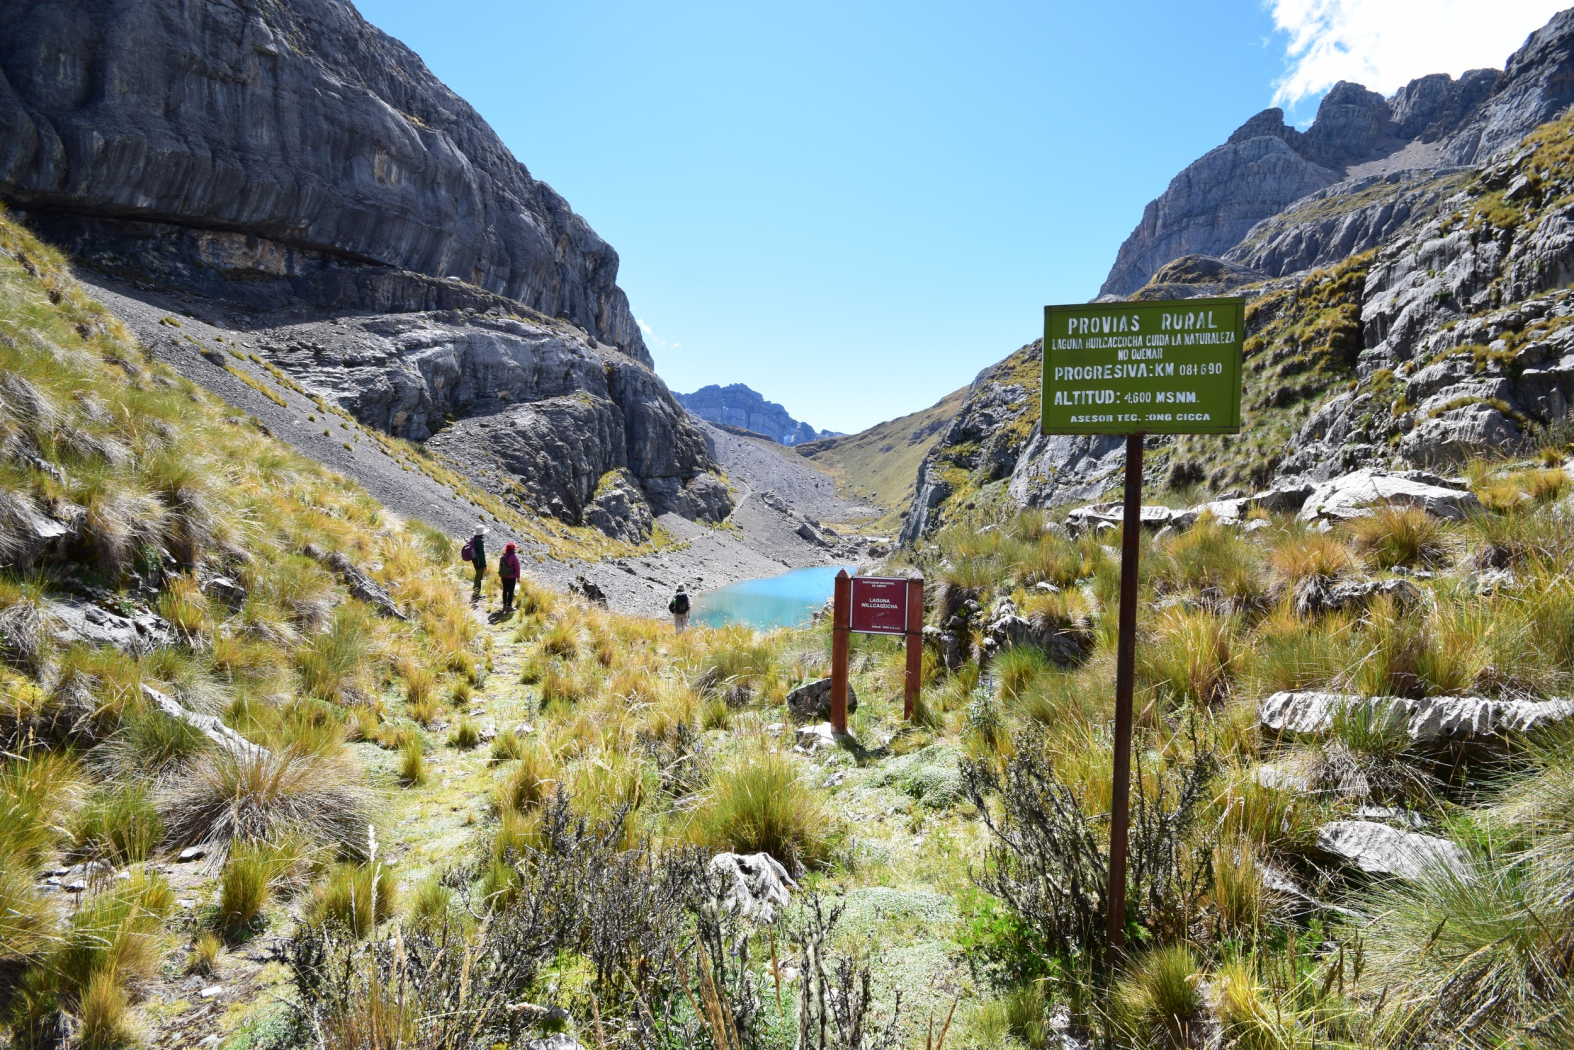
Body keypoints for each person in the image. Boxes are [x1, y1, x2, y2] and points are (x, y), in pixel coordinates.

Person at [498, 541, 521, 613]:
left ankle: (504, 605)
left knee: (505, 590)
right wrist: (518, 577)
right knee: (510, 591)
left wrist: (501, 575)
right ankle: (509, 606)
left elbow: (501, 567)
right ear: (513, 549)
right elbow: (517, 567)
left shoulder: (503, 556)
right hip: (511, 577)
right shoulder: (513, 557)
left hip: (504, 576)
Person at [469, 524, 487, 600]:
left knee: (478, 575)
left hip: (475, 560)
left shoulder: (474, 539)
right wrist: (485, 565)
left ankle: (476, 592)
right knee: (479, 576)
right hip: (479, 561)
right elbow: (481, 554)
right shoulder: (480, 541)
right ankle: (476, 593)